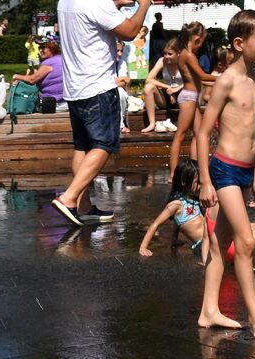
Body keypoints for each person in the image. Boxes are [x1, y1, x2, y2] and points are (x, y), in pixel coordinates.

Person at [196, 10, 255, 342]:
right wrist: (204, 180)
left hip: (244, 172)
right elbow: (202, 133)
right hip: (224, 169)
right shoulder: (226, 80)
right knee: (245, 242)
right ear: (240, 43)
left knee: (221, 243)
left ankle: (208, 312)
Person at [51, 0, 153, 225]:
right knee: (105, 144)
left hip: (75, 88)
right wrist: (144, 6)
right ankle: (69, 198)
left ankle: (83, 205)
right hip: (97, 87)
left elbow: (92, 25)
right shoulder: (96, 2)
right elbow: (129, 32)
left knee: (83, 146)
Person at [139, 157, 255, 262]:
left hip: (215, 239)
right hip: (210, 246)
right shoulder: (176, 204)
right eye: (199, 183)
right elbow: (156, 224)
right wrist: (143, 247)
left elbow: (177, 226)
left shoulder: (193, 200)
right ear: (184, 182)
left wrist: (173, 242)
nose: (203, 185)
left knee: (253, 225)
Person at [166, 21, 211, 180]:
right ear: (197, 39)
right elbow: (203, 76)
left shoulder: (185, 54)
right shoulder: (188, 55)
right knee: (180, 135)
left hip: (191, 98)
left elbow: (201, 80)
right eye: (202, 41)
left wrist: (219, 82)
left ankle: (195, 169)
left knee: (199, 135)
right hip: (188, 98)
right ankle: (172, 173)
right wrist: (225, 77)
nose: (202, 45)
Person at [141, 38, 182, 132]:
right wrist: (169, 88)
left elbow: (192, 81)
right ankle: (152, 123)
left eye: (170, 54)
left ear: (178, 53)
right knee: (148, 88)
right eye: (165, 53)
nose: (166, 56)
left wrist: (177, 89)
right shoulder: (162, 61)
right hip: (167, 96)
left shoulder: (183, 61)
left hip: (182, 96)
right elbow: (149, 79)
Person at [11, 42, 62, 113]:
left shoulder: (49, 63)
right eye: (40, 48)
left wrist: (16, 76)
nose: (40, 50)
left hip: (51, 103)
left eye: (43, 48)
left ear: (52, 48)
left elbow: (32, 79)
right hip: (64, 101)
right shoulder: (61, 59)